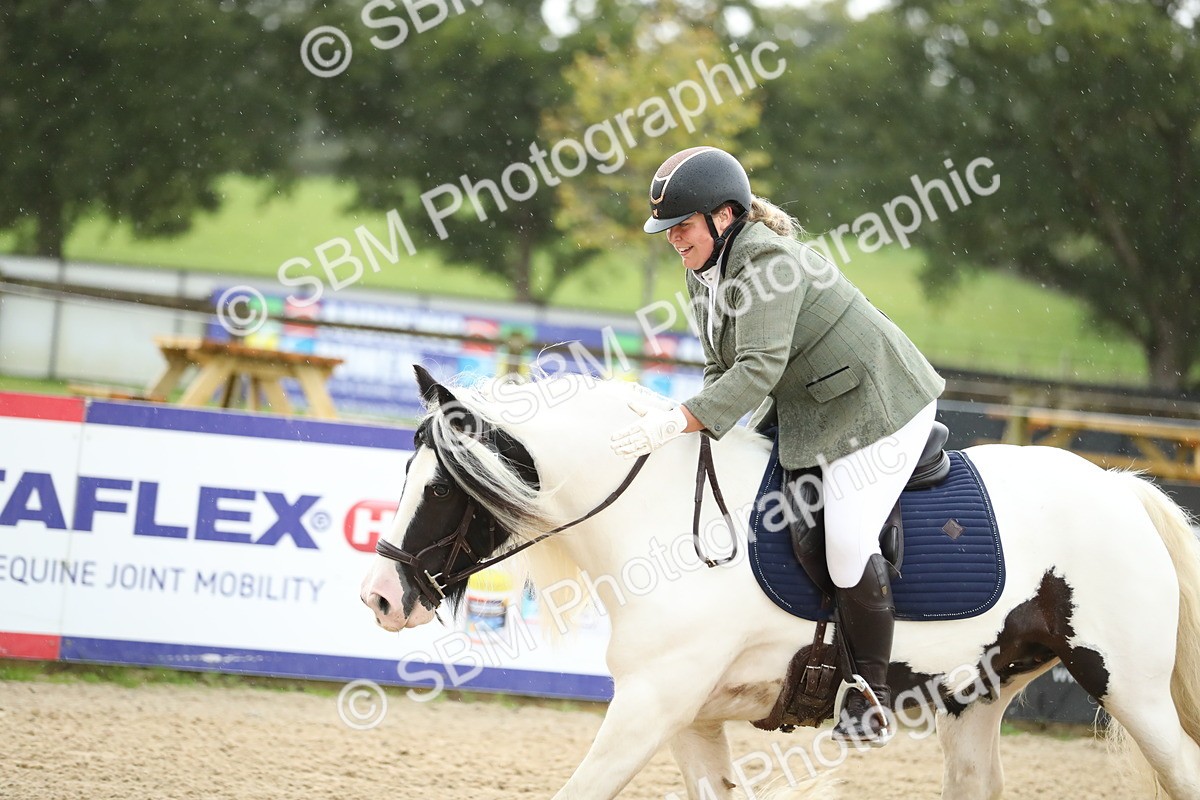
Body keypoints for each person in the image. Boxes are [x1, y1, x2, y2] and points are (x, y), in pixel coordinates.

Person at [609, 145, 945, 744]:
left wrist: (679, 419)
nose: (674, 240)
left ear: (726, 216)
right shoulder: (705, 271)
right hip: (811, 409)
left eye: (681, 226)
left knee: (845, 540)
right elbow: (720, 367)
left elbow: (758, 369)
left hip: (880, 407)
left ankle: (870, 694)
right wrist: (688, 420)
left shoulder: (765, 262)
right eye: (668, 230)